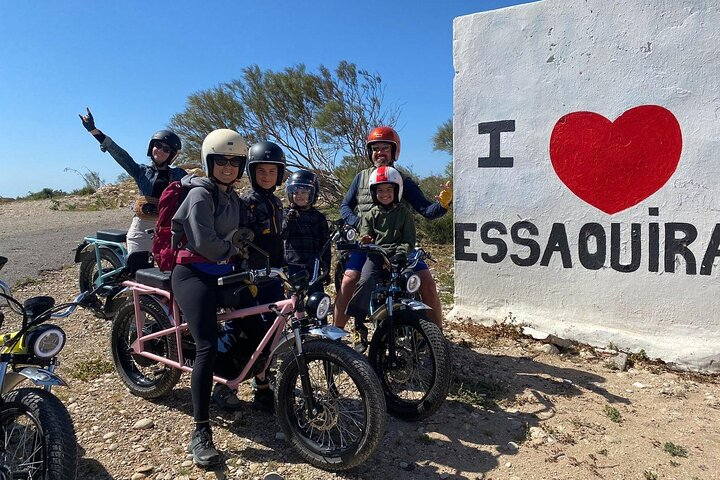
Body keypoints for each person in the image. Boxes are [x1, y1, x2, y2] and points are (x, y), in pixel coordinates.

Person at [170, 128, 267, 466]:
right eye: (221, 161)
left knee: (257, 326)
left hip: (222, 274)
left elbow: (241, 237)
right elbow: (206, 243)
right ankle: (200, 432)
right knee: (207, 344)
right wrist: (234, 247)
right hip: (193, 273)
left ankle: (230, 386)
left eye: (234, 162)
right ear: (208, 162)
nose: (228, 167)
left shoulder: (234, 199)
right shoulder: (201, 195)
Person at [334, 126, 452, 332]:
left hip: (399, 244)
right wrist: (358, 223)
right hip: (367, 245)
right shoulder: (360, 178)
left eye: (385, 148)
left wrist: (443, 204)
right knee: (349, 280)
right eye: (375, 148)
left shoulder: (402, 180)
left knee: (427, 283)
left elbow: (425, 209)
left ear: (394, 152)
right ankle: (335, 340)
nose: (379, 153)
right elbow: (345, 206)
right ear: (370, 152)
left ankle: (437, 338)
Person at [78, 107, 187, 254]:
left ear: (172, 154)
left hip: (169, 229)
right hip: (141, 229)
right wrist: (94, 131)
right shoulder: (141, 171)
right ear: (151, 147)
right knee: (138, 271)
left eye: (166, 149)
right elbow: (120, 154)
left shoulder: (180, 174)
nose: (160, 150)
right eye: (158, 145)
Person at [345, 165, 415, 351]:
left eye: (389, 189)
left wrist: (402, 252)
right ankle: (359, 327)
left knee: (411, 283)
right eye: (380, 190)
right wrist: (365, 239)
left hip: (399, 256)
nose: (384, 194)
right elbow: (365, 233)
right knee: (365, 282)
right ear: (374, 193)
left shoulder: (405, 214)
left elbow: (409, 239)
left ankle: (418, 327)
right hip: (376, 254)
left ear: (397, 190)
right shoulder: (370, 214)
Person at [281, 169, 331, 295]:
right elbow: (282, 235)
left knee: (317, 299)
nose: (299, 196)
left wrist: (326, 268)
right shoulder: (285, 214)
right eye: (295, 192)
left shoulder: (319, 217)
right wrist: (288, 220)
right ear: (289, 194)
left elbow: (325, 245)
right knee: (294, 301)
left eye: (304, 192)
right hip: (292, 265)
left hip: (312, 266)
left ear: (313, 194)